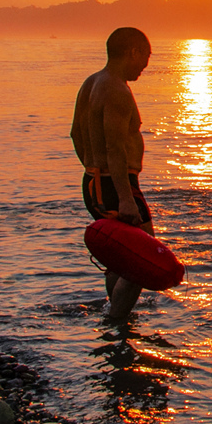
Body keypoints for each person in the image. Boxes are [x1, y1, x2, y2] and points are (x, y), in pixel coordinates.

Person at [71, 27, 153, 322]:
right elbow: (115, 148)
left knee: (119, 258)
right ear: (133, 52)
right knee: (145, 258)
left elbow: (75, 134)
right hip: (117, 186)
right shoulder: (117, 90)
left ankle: (117, 319)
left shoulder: (91, 82)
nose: (145, 65)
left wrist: (92, 170)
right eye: (146, 57)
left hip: (94, 181)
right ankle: (117, 320)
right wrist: (125, 198)